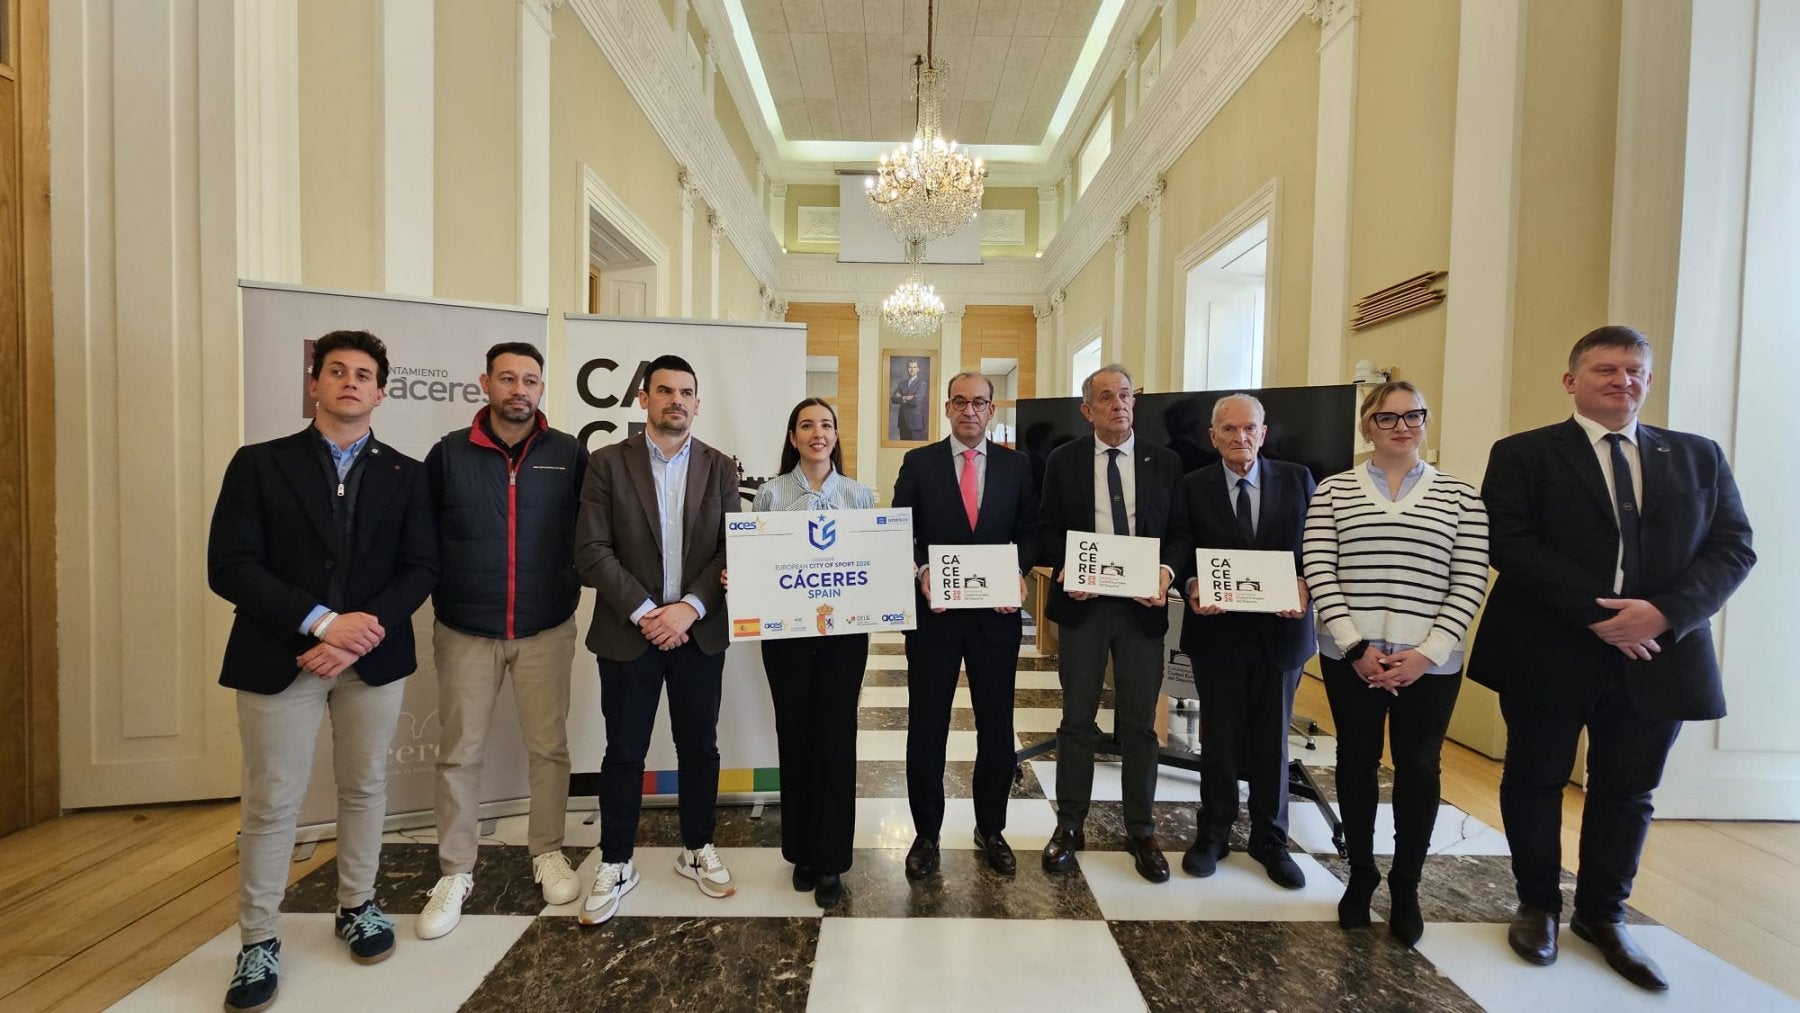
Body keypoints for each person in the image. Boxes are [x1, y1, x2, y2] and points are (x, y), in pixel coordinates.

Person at [1473, 326, 1754, 991]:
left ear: (1648, 381)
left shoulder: (1699, 457)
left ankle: (1603, 914)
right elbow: (1510, 543)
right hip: (1550, 647)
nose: (1622, 381)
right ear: (1572, 381)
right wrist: (1604, 615)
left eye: (1635, 371)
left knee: (1629, 791)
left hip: (1662, 651)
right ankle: (1538, 903)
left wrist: (1664, 613)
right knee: (1534, 777)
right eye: (1606, 369)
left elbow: (1732, 547)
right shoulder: (1523, 454)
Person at [207, 330, 438, 1012]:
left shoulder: (407, 473)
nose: (349, 382)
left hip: (372, 657)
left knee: (365, 785)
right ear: (315, 382)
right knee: (273, 799)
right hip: (279, 655)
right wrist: (319, 621)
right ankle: (258, 938)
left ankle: (358, 903)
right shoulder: (258, 465)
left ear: (381, 391)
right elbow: (231, 565)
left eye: (363, 374)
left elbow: (421, 566)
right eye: (336, 371)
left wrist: (355, 633)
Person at [1301, 381, 1489, 946]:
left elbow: (1470, 577)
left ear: (1426, 422)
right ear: (1367, 427)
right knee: (1356, 765)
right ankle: (1360, 875)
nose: (1402, 426)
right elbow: (1320, 567)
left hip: (1427, 663)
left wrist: (1428, 652)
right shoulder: (1333, 491)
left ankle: (1406, 884)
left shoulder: (1460, 496)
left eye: (1413, 416)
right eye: (1387, 418)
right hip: (1351, 657)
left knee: (1419, 768)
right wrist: (1357, 647)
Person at [415, 342, 589, 940]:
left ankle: (546, 849)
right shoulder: (448, 454)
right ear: (485, 383)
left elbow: (589, 535)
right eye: (508, 379)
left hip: (545, 626)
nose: (520, 389)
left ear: (542, 388)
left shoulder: (568, 454)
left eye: (531, 381)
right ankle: (456, 869)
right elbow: (422, 538)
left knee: (550, 748)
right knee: (460, 752)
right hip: (466, 627)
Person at [572, 354, 739, 926]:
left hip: (697, 633)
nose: (677, 401)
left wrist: (687, 610)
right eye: (665, 390)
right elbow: (591, 550)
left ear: (698, 402)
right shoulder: (605, 464)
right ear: (643, 398)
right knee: (624, 753)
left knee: (701, 748)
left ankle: (697, 847)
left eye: (686, 392)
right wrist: (649, 613)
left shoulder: (720, 467)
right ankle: (616, 860)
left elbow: (730, 549)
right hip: (628, 632)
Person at [1162, 393, 1315, 890]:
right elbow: (1181, 548)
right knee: (1219, 738)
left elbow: (1314, 547)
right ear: (1213, 436)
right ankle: (1214, 832)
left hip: (1279, 633)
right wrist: (1189, 585)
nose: (1239, 437)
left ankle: (1271, 839)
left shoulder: (1297, 480)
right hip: (1219, 633)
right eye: (1228, 429)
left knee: (1272, 739)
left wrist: (1305, 584)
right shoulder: (1191, 486)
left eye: (1248, 428)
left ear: (1263, 432)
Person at [1038, 364, 1182, 882]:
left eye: (1125, 395)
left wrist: (1166, 572)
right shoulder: (1064, 460)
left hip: (1142, 611)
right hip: (1085, 608)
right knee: (1077, 718)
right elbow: (1048, 526)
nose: (1118, 404)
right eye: (1106, 397)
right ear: (1087, 409)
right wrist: (1065, 569)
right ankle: (1069, 823)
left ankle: (1140, 830)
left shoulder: (1165, 462)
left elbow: (1180, 534)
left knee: (1140, 724)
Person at [892, 372, 1039, 880]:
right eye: (960, 402)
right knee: (927, 727)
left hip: (995, 621)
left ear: (992, 410)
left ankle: (990, 828)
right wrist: (922, 570)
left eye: (980, 403)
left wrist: (1017, 574)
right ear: (948, 408)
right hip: (934, 618)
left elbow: (1030, 530)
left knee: (996, 728)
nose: (970, 411)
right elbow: (900, 530)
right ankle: (926, 834)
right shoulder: (919, 463)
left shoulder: (1017, 466)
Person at [738, 398, 875, 909]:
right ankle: (800, 851)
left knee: (836, 739)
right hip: (787, 638)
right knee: (794, 735)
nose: (818, 433)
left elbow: (871, 565)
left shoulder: (861, 497)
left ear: (837, 435)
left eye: (826, 425)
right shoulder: (769, 496)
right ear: (792, 437)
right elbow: (760, 564)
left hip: (844, 639)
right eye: (806, 426)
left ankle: (833, 860)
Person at [891, 358, 929, 440]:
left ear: (918, 369)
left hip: (915, 423)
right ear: (907, 369)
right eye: (910, 367)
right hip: (903, 422)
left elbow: (916, 401)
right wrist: (905, 397)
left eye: (914, 367)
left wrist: (901, 398)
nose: (912, 370)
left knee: (915, 450)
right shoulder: (902, 383)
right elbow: (893, 399)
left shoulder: (922, 383)